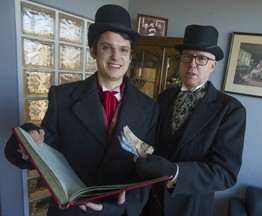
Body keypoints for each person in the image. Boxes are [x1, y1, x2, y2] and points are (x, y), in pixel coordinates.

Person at [5, 4, 159, 216]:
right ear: (93, 51)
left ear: (130, 56)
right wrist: (27, 139)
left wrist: (122, 207)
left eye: (123, 49)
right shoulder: (62, 96)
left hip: (118, 210)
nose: (116, 56)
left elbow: (147, 171)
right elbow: (47, 144)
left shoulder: (150, 108)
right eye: (107, 47)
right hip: (71, 210)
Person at [134, 25, 246, 216]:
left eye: (201, 58)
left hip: (188, 207)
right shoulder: (165, 97)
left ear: (212, 65)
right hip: (149, 203)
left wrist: (174, 171)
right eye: (187, 57)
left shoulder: (230, 110)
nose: (192, 64)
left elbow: (225, 174)